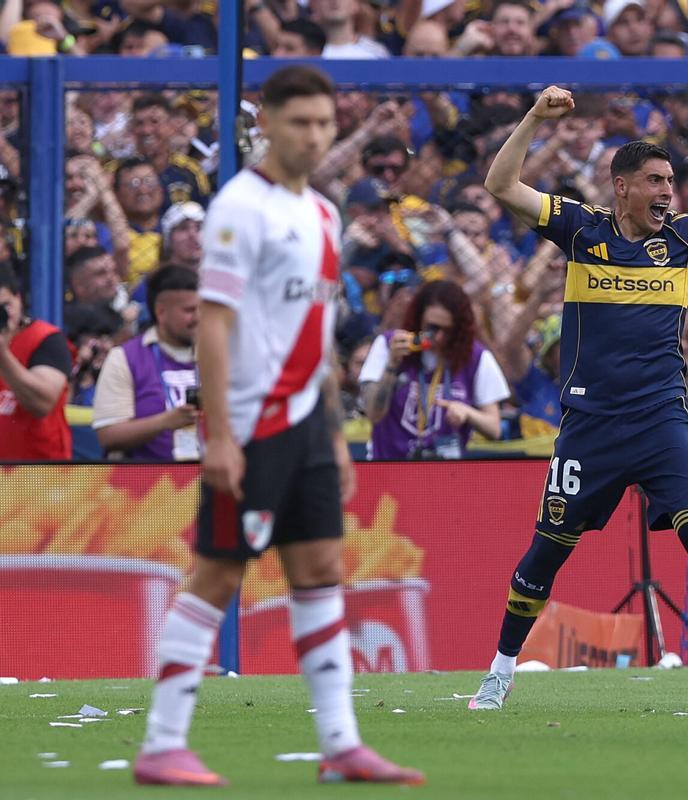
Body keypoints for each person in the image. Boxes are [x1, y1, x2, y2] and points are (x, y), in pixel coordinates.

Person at [132, 65, 423, 787]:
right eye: (300, 122)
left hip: (306, 425)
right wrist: (221, 435)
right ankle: (162, 742)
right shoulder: (239, 207)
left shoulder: (324, 214)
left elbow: (316, 334)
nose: (314, 135)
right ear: (266, 123)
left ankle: (341, 744)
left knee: (321, 570)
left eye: (325, 123)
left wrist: (333, 433)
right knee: (218, 573)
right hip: (251, 425)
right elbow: (216, 326)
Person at [467, 85, 688, 712]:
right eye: (655, 180)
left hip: (664, 422)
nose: (669, 191)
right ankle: (499, 672)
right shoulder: (582, 229)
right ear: (622, 186)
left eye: (672, 181)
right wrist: (533, 117)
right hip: (589, 426)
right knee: (547, 549)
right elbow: (500, 184)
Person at [358, 279, 509, 460]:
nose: (439, 337)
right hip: (390, 466)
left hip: (446, 472)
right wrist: (391, 365)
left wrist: (468, 413)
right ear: (418, 319)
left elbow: (494, 428)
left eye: (448, 330)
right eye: (432, 328)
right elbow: (373, 414)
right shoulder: (388, 345)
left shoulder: (476, 357)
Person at [92, 265, 200, 461]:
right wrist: (165, 422)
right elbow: (108, 435)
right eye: (189, 310)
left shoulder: (217, 354)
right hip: (148, 485)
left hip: (213, 479)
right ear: (161, 312)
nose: (198, 317)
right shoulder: (125, 358)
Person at [0, 262, 72, 460]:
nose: (3, 315)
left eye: (6, 306)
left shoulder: (45, 339)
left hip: (38, 476)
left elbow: (42, 403)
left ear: (19, 299)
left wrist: (1, 354)